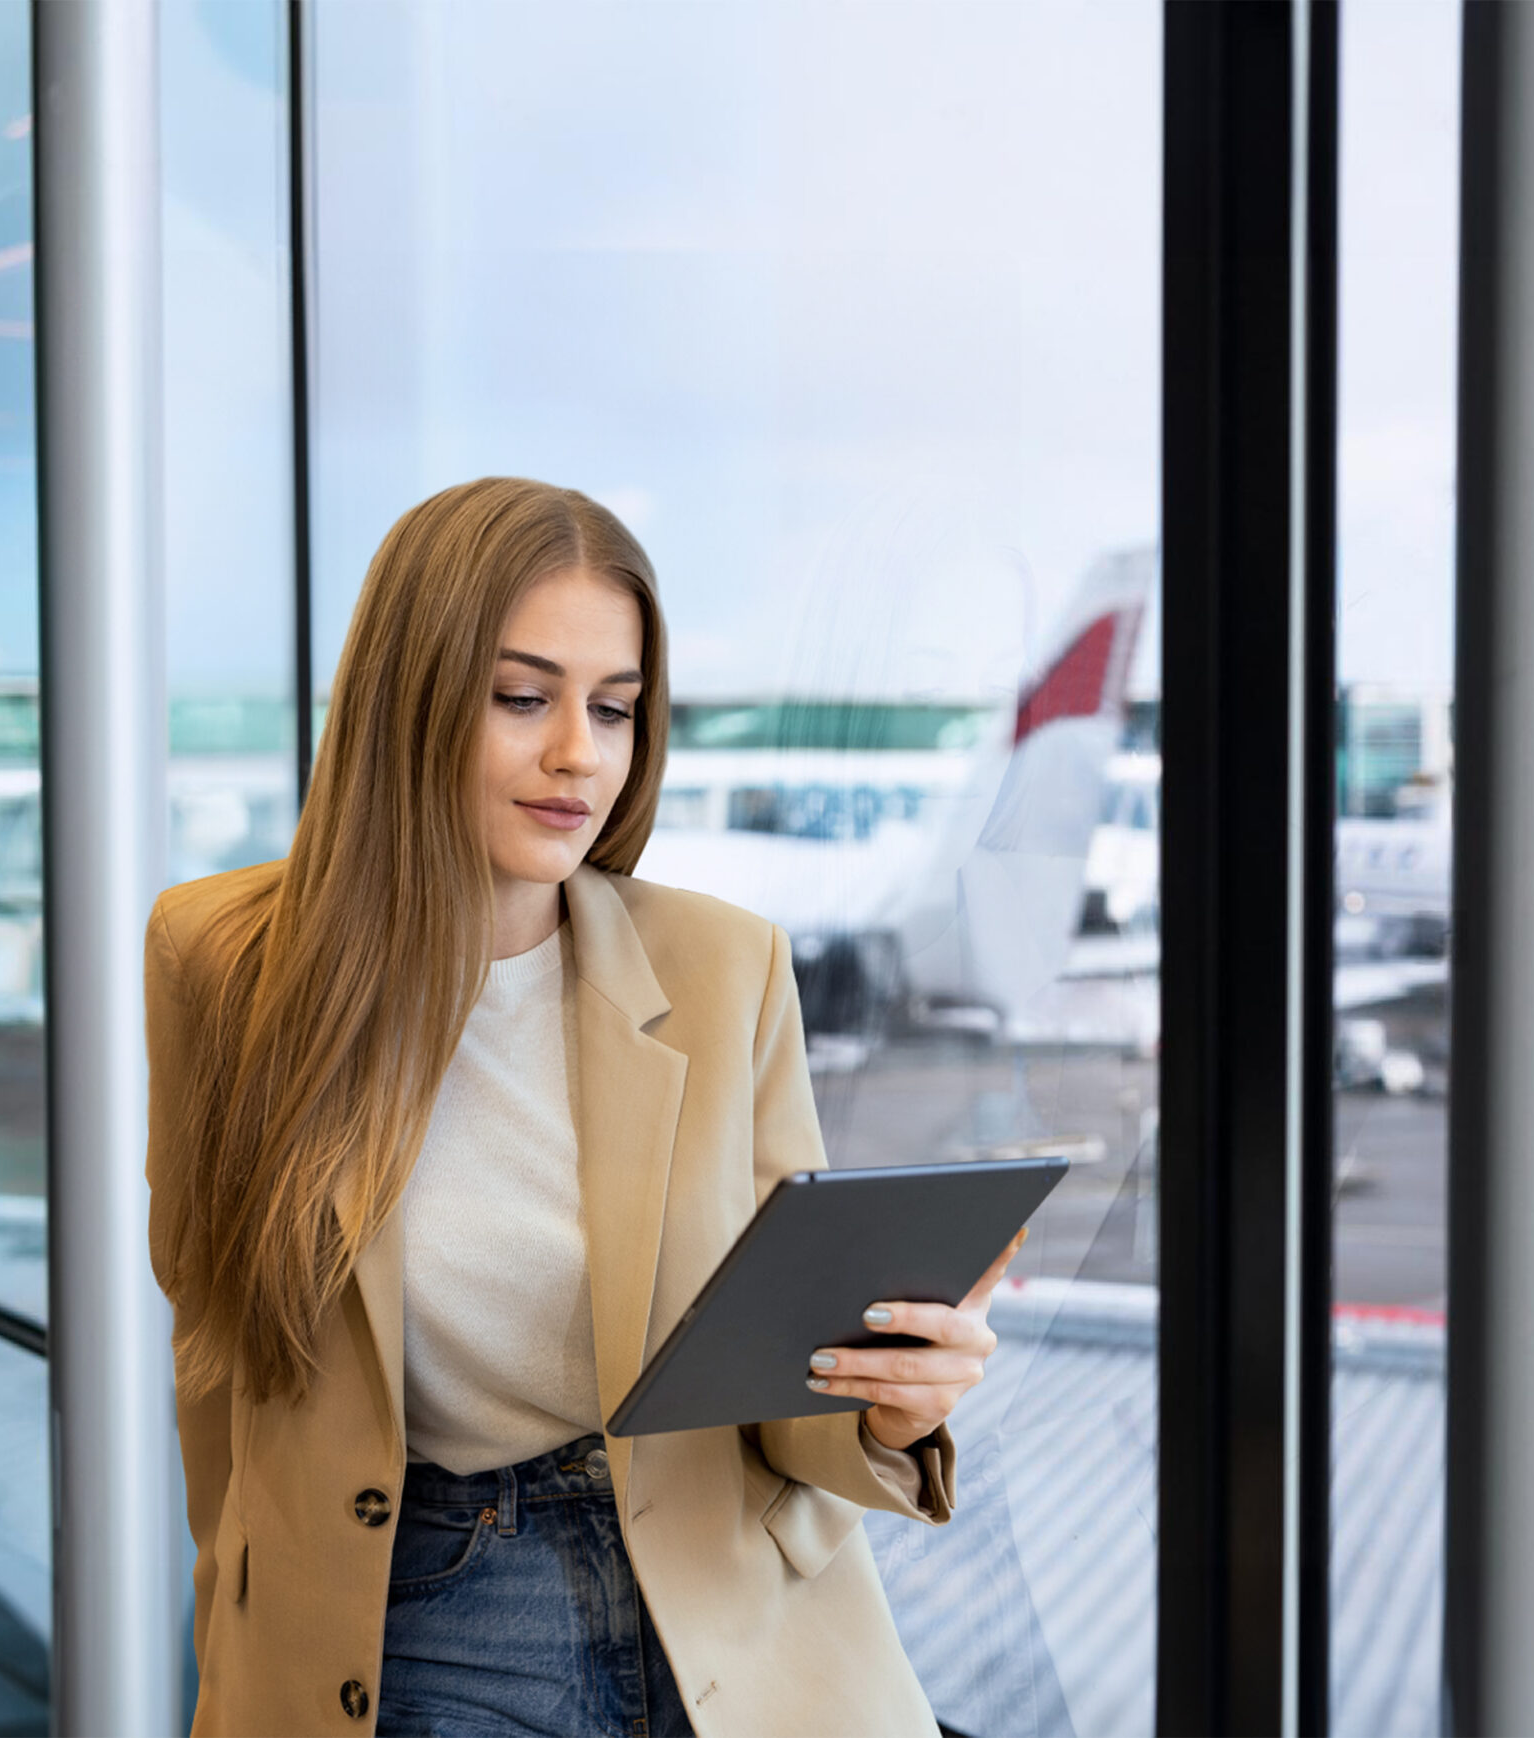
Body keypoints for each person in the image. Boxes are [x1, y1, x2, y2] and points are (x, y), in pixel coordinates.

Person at [144, 477, 1019, 1737]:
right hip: (438, 1601)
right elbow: (219, 1355)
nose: (579, 754)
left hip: (732, 1593)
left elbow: (777, 1386)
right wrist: (246, 1646)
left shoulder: (724, 966)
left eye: (613, 708)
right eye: (521, 698)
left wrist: (888, 1409)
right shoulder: (222, 959)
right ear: (407, 699)